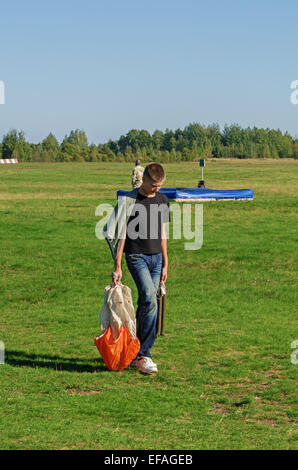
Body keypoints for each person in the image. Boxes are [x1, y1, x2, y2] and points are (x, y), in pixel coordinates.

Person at [112, 163, 170, 375]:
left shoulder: (163, 200)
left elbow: (163, 233)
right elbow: (122, 235)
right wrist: (118, 265)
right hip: (136, 256)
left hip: (156, 259)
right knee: (148, 298)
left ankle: (134, 349)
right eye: (154, 185)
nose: (157, 189)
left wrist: (165, 262)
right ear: (144, 180)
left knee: (148, 304)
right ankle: (144, 354)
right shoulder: (131, 201)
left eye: (160, 186)